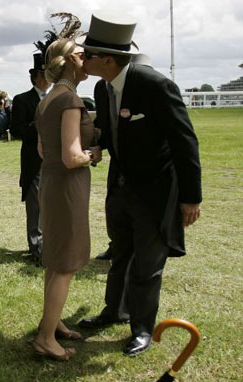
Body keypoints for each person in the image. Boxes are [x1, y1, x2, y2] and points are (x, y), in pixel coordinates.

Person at [76, 11, 202, 357]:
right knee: (120, 256)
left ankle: (142, 329)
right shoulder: (103, 89)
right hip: (120, 189)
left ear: (106, 59)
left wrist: (191, 198)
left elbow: (185, 142)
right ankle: (113, 312)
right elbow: (112, 132)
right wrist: (98, 146)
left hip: (155, 193)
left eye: (87, 55)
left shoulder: (155, 85)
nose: (82, 60)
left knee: (147, 265)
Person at [32, 36, 100, 361]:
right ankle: (46, 339)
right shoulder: (71, 100)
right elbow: (72, 157)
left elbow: (43, 150)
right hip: (68, 187)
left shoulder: (46, 99)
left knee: (55, 259)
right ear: (70, 61)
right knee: (65, 265)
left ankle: (52, 323)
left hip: (50, 182)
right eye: (83, 54)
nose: (89, 58)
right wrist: (94, 154)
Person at [95, 53, 151, 262]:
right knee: (114, 204)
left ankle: (139, 248)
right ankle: (116, 244)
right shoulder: (102, 89)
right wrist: (98, 146)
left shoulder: (150, 89)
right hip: (118, 160)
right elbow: (104, 123)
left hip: (145, 162)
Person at [10, 52, 51, 263]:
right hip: (34, 161)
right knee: (35, 206)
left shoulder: (56, 97)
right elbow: (16, 130)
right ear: (34, 77)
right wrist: (38, 126)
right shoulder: (22, 100)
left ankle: (50, 245)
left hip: (54, 160)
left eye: (48, 74)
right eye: (42, 75)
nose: (46, 79)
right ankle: (37, 249)